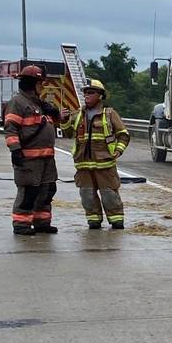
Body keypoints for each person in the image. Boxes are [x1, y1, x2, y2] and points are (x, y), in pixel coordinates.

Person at [61, 79, 130, 230]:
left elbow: (123, 135)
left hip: (104, 164)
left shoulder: (109, 114)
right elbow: (67, 134)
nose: (86, 95)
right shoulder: (78, 114)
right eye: (85, 92)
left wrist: (118, 151)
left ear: (100, 95)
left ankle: (116, 220)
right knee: (87, 195)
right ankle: (93, 220)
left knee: (109, 194)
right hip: (84, 165)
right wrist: (64, 120)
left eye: (91, 92)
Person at [3, 65, 62, 235]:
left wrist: (55, 112)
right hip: (29, 159)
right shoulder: (18, 103)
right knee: (29, 192)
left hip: (46, 159)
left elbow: (53, 124)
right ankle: (21, 224)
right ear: (32, 83)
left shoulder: (38, 103)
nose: (42, 86)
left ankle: (42, 222)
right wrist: (15, 150)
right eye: (40, 83)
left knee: (47, 191)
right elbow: (11, 128)